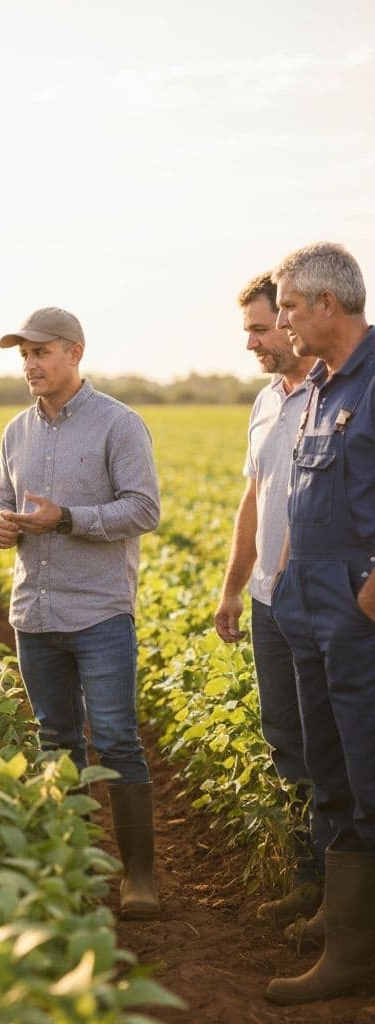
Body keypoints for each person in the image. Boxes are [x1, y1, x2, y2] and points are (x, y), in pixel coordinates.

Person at [0, 306, 161, 920]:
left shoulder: (120, 424)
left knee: (115, 740)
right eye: (24, 356)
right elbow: (0, 501)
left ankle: (139, 875)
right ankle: (71, 867)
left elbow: (143, 509)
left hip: (100, 613)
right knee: (56, 741)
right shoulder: (16, 431)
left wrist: (66, 518)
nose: (30, 365)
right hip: (33, 612)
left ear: (75, 353)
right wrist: (3, 526)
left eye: (41, 353)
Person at [265, 243, 375, 1006]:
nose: (283, 321)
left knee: (372, 783)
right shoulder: (315, 390)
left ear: (327, 306)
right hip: (309, 613)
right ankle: (346, 950)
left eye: (291, 307)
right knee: (331, 778)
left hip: (359, 620)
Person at [214, 273, 328, 929]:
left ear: (291, 322)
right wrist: (233, 588)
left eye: (262, 328)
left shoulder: (339, 393)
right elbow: (253, 501)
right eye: (251, 331)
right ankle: (307, 878)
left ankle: (338, 897)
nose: (254, 342)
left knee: (331, 747)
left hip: (321, 601)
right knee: (286, 739)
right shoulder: (265, 404)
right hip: (267, 602)